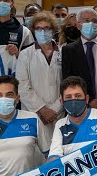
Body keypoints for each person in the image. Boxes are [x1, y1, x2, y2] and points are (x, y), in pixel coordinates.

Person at [16, 11, 64, 154]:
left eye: (47, 28)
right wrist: (43, 110)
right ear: (33, 30)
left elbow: (68, 84)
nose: (42, 32)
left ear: (54, 30)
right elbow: (22, 86)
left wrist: (55, 109)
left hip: (59, 113)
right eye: (38, 28)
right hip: (35, 113)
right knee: (36, 156)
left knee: (59, 152)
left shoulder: (64, 51)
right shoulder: (25, 54)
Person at [61, 8, 97, 111]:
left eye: (94, 21)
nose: (91, 24)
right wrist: (89, 101)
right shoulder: (68, 50)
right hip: (82, 106)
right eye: (86, 21)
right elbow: (69, 81)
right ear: (78, 25)